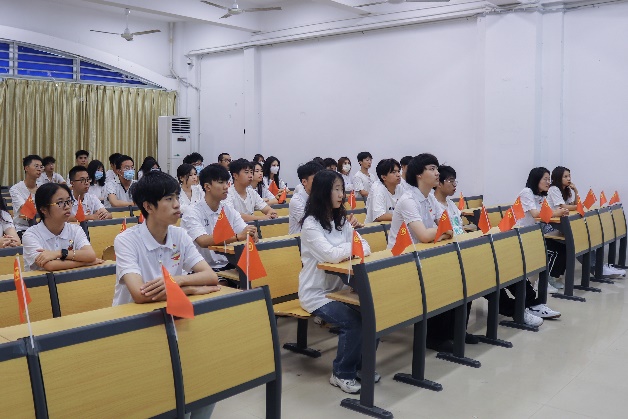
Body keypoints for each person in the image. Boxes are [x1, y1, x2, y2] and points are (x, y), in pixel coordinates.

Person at [298, 169, 371, 394]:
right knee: (353, 322)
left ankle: (359, 367)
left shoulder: (341, 221)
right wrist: (349, 248)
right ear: (323, 192)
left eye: (342, 189)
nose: (342, 194)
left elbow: (365, 246)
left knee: (371, 313)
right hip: (316, 294)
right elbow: (329, 255)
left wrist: (345, 249)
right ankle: (341, 373)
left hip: (339, 290)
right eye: (336, 189)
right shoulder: (310, 224)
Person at [113, 170, 219, 305]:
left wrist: (178, 280)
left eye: (177, 197)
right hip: (133, 314)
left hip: (169, 307)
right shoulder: (126, 240)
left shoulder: (180, 235)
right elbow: (140, 295)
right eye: (169, 199)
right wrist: (191, 289)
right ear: (148, 207)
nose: (177, 204)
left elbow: (211, 276)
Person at [387, 154, 456, 351]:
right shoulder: (408, 200)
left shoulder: (430, 198)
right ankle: (434, 337)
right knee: (443, 280)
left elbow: (449, 227)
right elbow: (424, 235)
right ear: (419, 174)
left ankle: (453, 332)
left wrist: (439, 232)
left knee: (458, 276)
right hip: (401, 260)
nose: (437, 173)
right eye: (432, 169)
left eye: (437, 169)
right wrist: (440, 233)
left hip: (422, 255)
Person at [505, 167, 565, 321]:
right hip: (516, 236)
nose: (548, 182)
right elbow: (537, 214)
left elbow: (546, 214)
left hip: (531, 236)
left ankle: (535, 303)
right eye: (545, 179)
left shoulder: (541, 196)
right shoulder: (526, 192)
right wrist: (557, 212)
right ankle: (532, 303)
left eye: (549, 179)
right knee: (520, 271)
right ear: (536, 179)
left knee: (538, 266)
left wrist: (556, 212)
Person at [181, 164, 257, 276]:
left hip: (226, 265)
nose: (226, 187)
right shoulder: (192, 212)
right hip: (200, 270)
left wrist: (251, 232)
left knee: (254, 276)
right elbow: (203, 241)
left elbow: (243, 229)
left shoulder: (227, 209)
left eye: (227, 182)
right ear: (207, 187)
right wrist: (237, 237)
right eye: (221, 182)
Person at [22, 183, 102, 272]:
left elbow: (90, 255)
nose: (67, 207)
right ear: (43, 209)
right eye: (60, 202)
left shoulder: (75, 229)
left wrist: (60, 253)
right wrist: (85, 263)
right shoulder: (31, 235)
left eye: (68, 201)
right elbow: (50, 266)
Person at [10, 155, 43, 237]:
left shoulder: (42, 187)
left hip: (41, 227)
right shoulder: (15, 189)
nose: (39, 169)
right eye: (36, 166)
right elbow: (27, 210)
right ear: (26, 168)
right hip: (22, 228)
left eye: (41, 167)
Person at [289, 161, 324, 234]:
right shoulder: (296, 201)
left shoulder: (320, 195)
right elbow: (311, 223)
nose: (320, 182)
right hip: (298, 239)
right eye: (316, 179)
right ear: (304, 182)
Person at [365, 158, 403, 223]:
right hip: (376, 228)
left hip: (394, 225)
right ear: (384, 177)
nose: (398, 175)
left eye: (398, 171)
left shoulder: (399, 187)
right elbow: (379, 216)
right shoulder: (377, 189)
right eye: (394, 172)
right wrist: (403, 216)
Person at [432, 165, 465, 236]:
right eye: (451, 181)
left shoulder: (451, 203)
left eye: (454, 181)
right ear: (439, 183)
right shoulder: (432, 205)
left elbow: (461, 227)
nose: (454, 185)